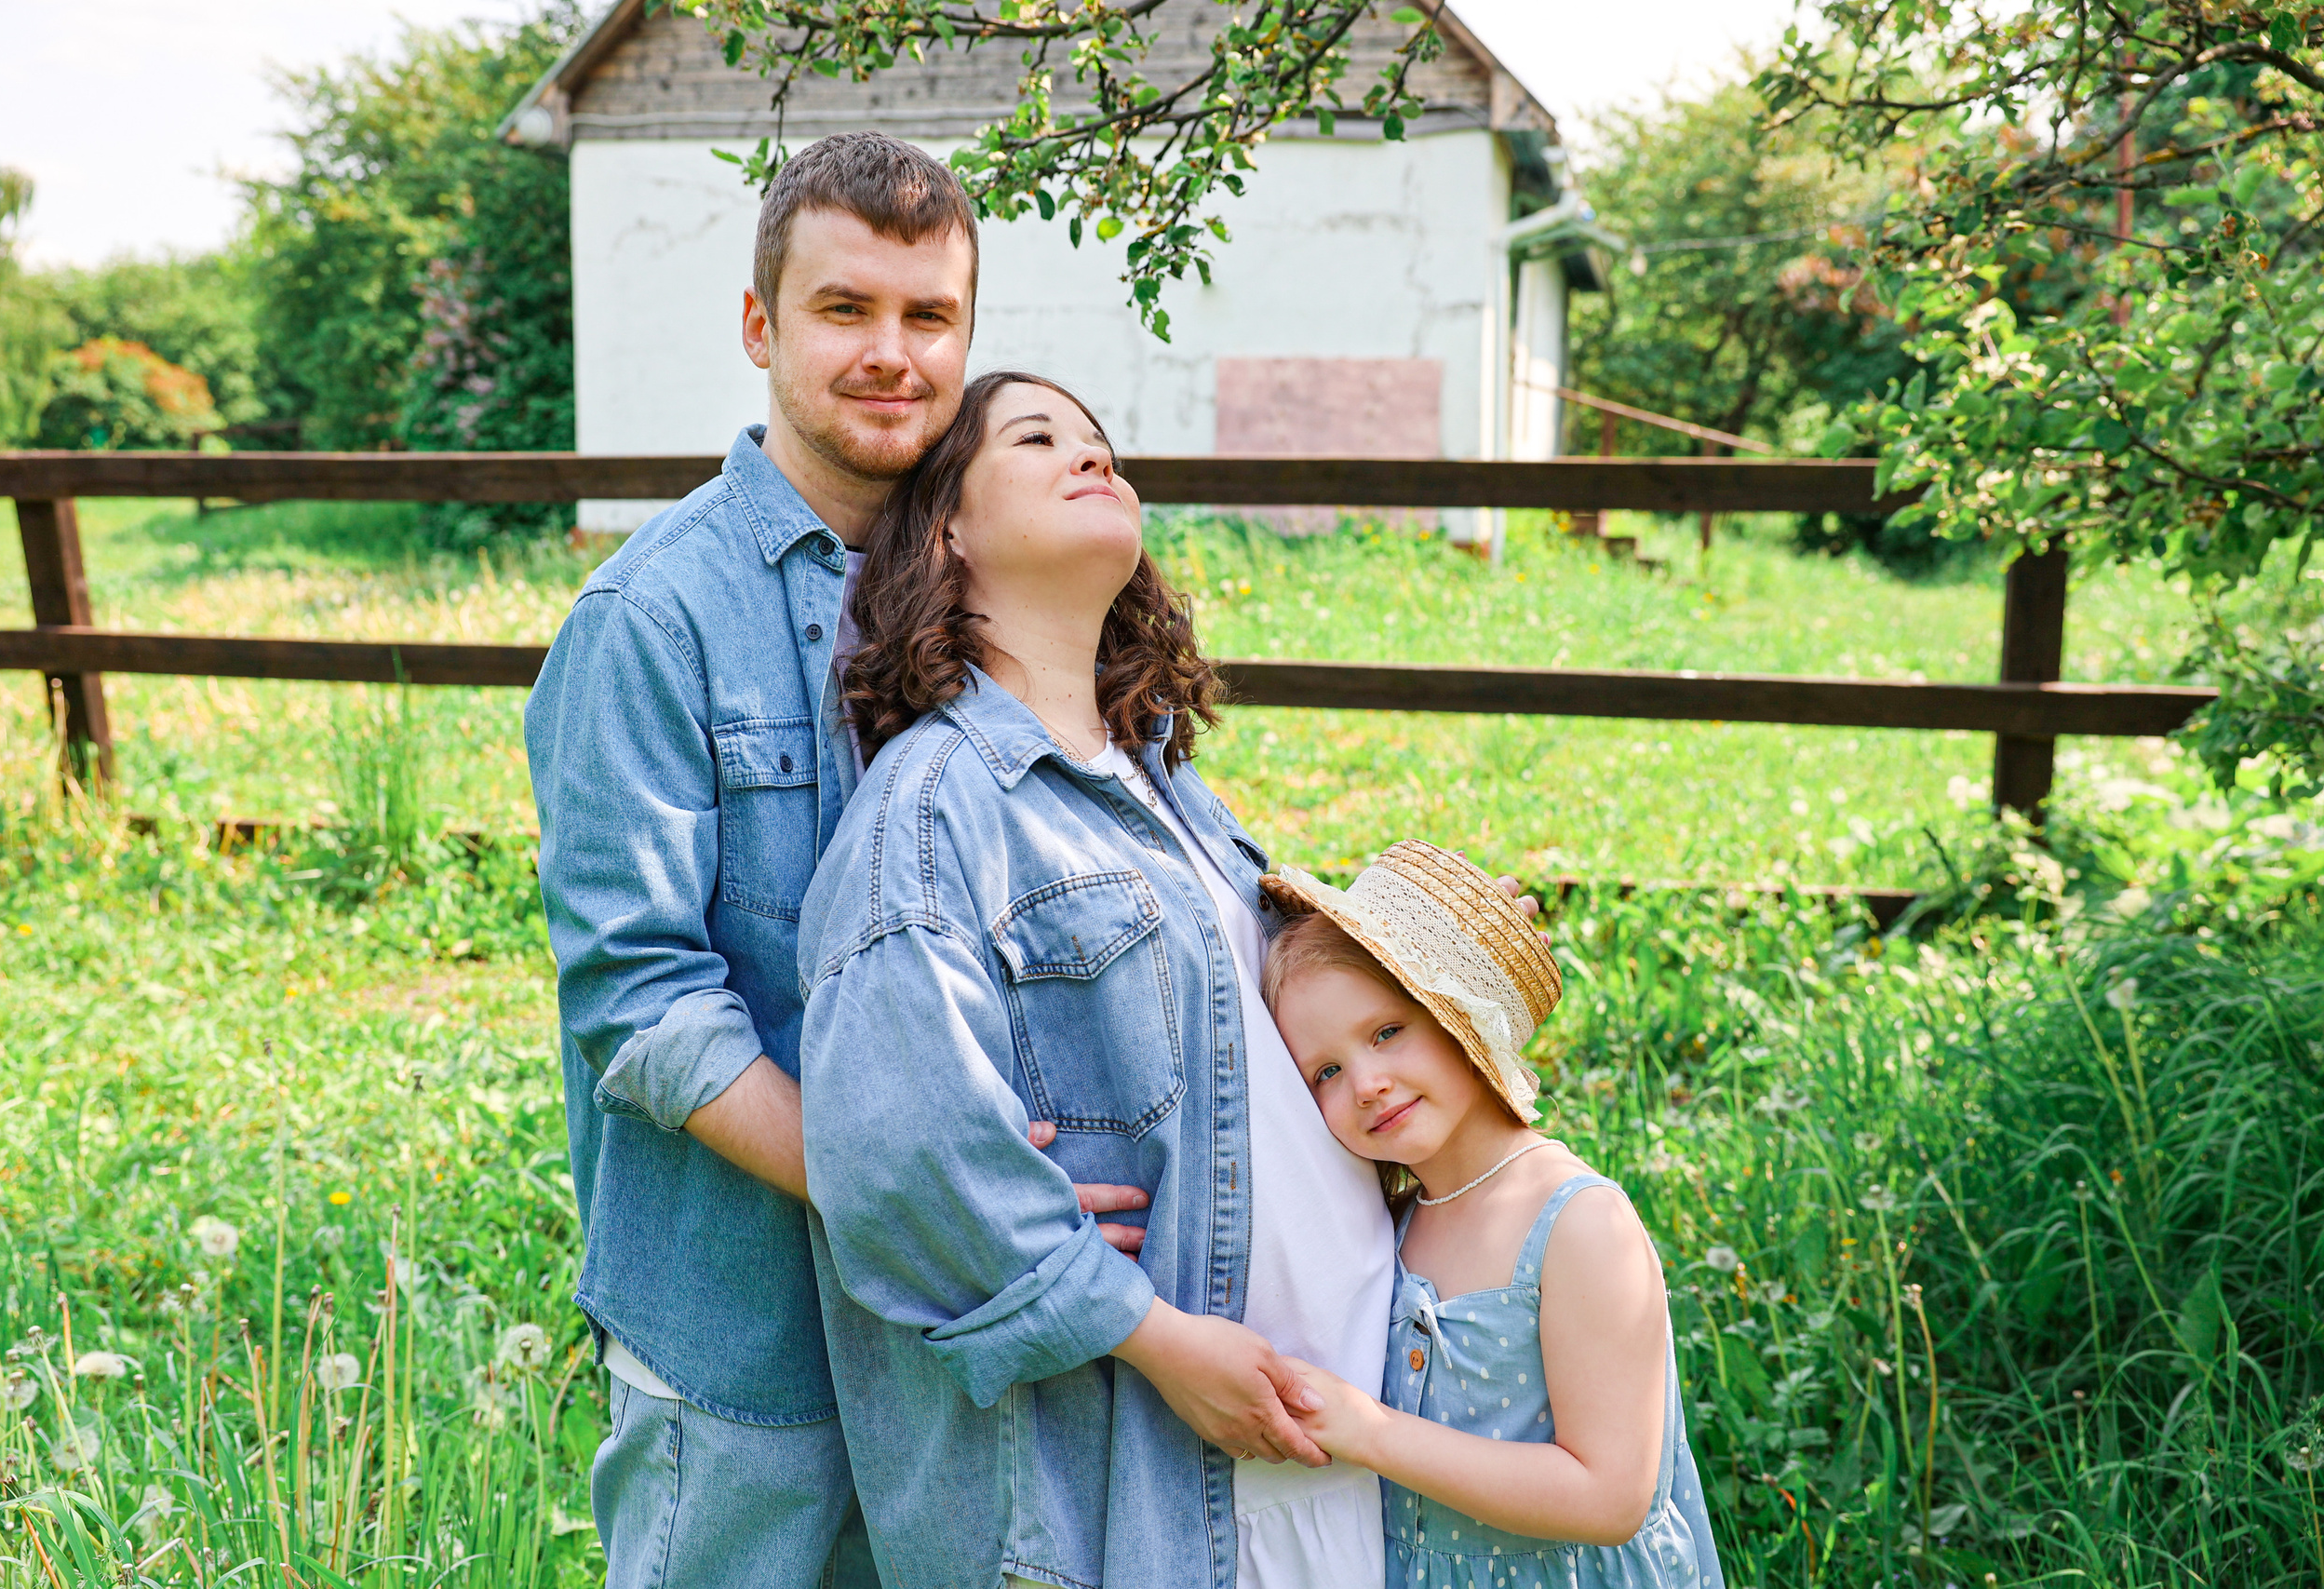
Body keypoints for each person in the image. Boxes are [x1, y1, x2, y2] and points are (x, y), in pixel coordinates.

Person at [523, 136, 1148, 1589]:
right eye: (842, 309)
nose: (891, 354)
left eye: (928, 317)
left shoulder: (1005, 592)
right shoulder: (651, 617)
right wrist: (927, 1187)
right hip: (744, 1326)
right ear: (760, 327)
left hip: (967, 1325)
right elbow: (644, 1004)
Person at [796, 370, 1399, 1589]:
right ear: (948, 530)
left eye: (1102, 442)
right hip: (1131, 1482)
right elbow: (906, 1160)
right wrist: (1162, 1340)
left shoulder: (1172, 790)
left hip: (1308, 1450)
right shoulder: (932, 808)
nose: (1092, 457)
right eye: (1038, 438)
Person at [1257, 843, 1725, 1587]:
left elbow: (1609, 1496)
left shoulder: (1576, 1223)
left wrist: (1371, 1433)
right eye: (1327, 1071)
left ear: (1461, 1018)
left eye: (1386, 1031)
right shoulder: (1394, 1224)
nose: (1368, 1083)